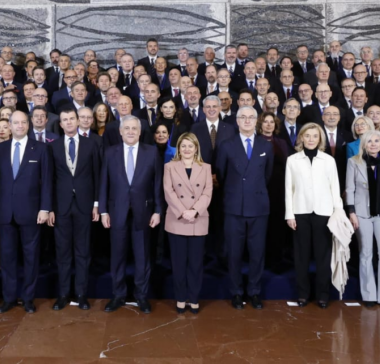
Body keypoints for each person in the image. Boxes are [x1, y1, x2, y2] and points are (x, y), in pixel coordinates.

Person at [100, 115, 163, 313]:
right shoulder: (110, 153)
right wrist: (103, 211)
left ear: (140, 131)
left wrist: (158, 210)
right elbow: (104, 183)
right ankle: (118, 295)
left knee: (142, 256)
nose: (130, 131)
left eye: (134, 128)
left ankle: (141, 296)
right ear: (120, 131)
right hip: (116, 211)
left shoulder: (151, 152)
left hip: (143, 212)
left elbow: (157, 185)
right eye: (126, 128)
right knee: (117, 256)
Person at [214, 106, 274, 310]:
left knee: (257, 253)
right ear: (237, 121)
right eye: (243, 117)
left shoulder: (265, 145)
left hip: (258, 207)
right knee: (234, 253)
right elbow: (221, 174)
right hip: (234, 207)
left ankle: (255, 292)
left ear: (256, 121)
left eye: (251, 117)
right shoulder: (226, 145)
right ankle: (236, 292)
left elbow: (267, 175)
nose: (247, 121)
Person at [0, 111, 53, 314]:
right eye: (15, 123)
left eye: (23, 122)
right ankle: (9, 298)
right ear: (9, 126)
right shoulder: (0, 149)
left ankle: (28, 298)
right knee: (7, 258)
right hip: (5, 212)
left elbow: (47, 181)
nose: (19, 126)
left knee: (30, 257)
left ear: (28, 125)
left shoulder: (41, 148)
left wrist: (45, 208)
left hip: (31, 212)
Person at [281, 123, 342, 308]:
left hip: (324, 213)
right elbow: (288, 188)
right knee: (301, 256)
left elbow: (335, 188)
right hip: (300, 212)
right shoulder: (292, 160)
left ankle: (323, 295)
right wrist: (289, 214)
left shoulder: (328, 160)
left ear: (320, 139)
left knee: (323, 256)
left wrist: (337, 212)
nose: (311, 139)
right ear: (301, 138)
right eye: (307, 136)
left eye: (315, 136)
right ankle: (303, 294)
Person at [48, 108, 102, 311]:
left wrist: (97, 204)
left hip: (85, 206)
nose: (69, 122)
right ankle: (63, 294)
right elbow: (50, 180)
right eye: (65, 119)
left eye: (72, 118)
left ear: (78, 121)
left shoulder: (91, 144)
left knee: (83, 252)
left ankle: (81, 294)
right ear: (60, 124)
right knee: (62, 253)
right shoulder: (52, 147)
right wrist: (51, 207)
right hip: (61, 207)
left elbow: (97, 175)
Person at [347, 129, 380, 308]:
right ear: (364, 144)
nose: (374, 144)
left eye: (377, 141)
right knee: (366, 253)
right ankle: (369, 294)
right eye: (370, 141)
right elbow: (350, 189)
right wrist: (351, 212)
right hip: (362, 213)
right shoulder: (354, 162)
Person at [163, 132, 212, 314]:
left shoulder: (205, 167)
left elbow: (208, 192)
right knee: (178, 263)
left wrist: (194, 211)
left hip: (198, 219)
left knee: (196, 263)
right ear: (179, 149)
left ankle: (194, 297)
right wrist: (184, 212)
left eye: (190, 146)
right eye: (183, 146)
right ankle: (181, 297)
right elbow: (168, 192)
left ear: (196, 148)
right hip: (177, 219)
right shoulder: (169, 167)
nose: (187, 149)